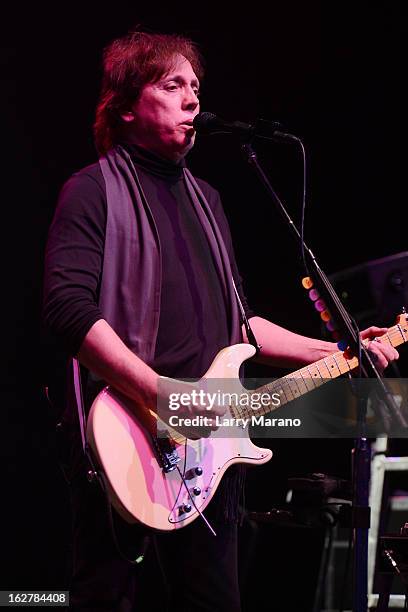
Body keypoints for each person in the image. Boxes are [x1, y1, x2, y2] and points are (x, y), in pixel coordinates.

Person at [43, 30, 399, 611]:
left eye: (196, 86)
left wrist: (342, 347)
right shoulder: (92, 191)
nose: (192, 99)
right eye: (171, 84)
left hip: (207, 456)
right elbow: (68, 311)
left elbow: (241, 325)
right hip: (127, 438)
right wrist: (160, 394)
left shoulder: (208, 199)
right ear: (127, 106)